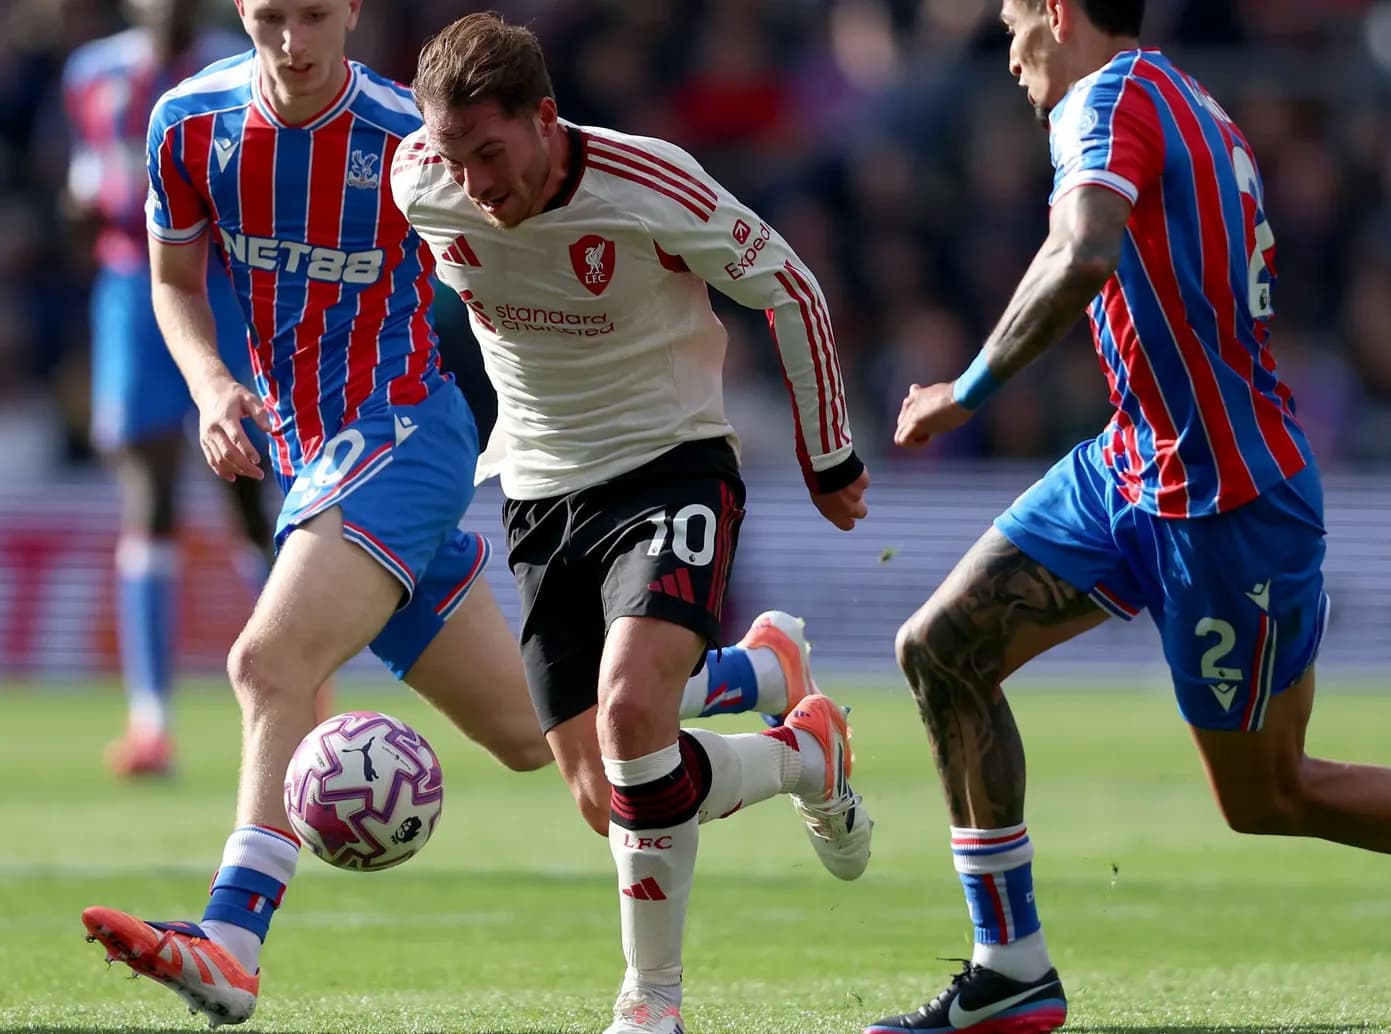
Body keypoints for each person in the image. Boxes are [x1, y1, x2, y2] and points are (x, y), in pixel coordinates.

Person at [868, 3, 1391, 1032]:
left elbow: (1084, 251)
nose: (1007, 54)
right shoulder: (1184, 102)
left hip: (1228, 504)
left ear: (1058, 11)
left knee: (1267, 794)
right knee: (940, 650)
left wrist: (965, 388)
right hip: (1132, 465)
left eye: (1013, 22)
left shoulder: (1108, 99)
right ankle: (1009, 965)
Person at [78, 3, 837, 1027]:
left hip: (403, 435)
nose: (293, 44)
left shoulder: (412, 134)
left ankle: (231, 935)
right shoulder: (186, 124)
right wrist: (211, 384)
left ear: (351, 9)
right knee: (548, 748)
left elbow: (546, 220)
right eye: (268, 19)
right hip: (308, 462)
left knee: (266, 663)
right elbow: (172, 277)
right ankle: (761, 685)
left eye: (312, 15)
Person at [393, 14, 876, 1034]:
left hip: (670, 466)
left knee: (629, 717)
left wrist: (827, 450)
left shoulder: (647, 181)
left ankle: (650, 1002)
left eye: (491, 153)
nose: (474, 183)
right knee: (609, 794)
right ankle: (799, 747)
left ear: (545, 119)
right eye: (454, 157)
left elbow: (788, 286)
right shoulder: (416, 179)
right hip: (534, 489)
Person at [62, 0, 330, 779]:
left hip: (229, 284)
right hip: (133, 289)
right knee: (148, 491)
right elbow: (88, 173)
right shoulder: (92, 74)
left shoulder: (238, 64)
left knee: (255, 492)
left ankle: (301, 680)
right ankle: (150, 721)